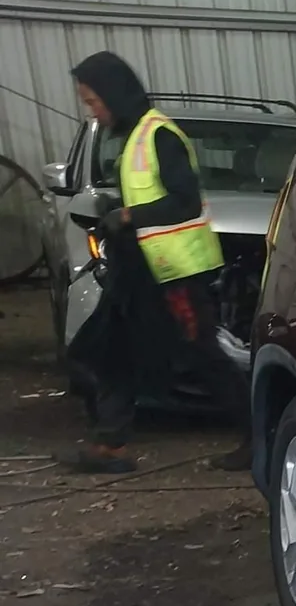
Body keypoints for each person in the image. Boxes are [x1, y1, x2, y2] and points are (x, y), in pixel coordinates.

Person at [65, 51, 252, 474]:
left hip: (176, 273)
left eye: (93, 101)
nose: (92, 111)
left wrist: (127, 216)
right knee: (109, 349)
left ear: (114, 93)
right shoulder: (132, 137)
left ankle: (260, 437)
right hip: (138, 272)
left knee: (202, 354)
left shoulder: (160, 135)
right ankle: (110, 446)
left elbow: (185, 202)